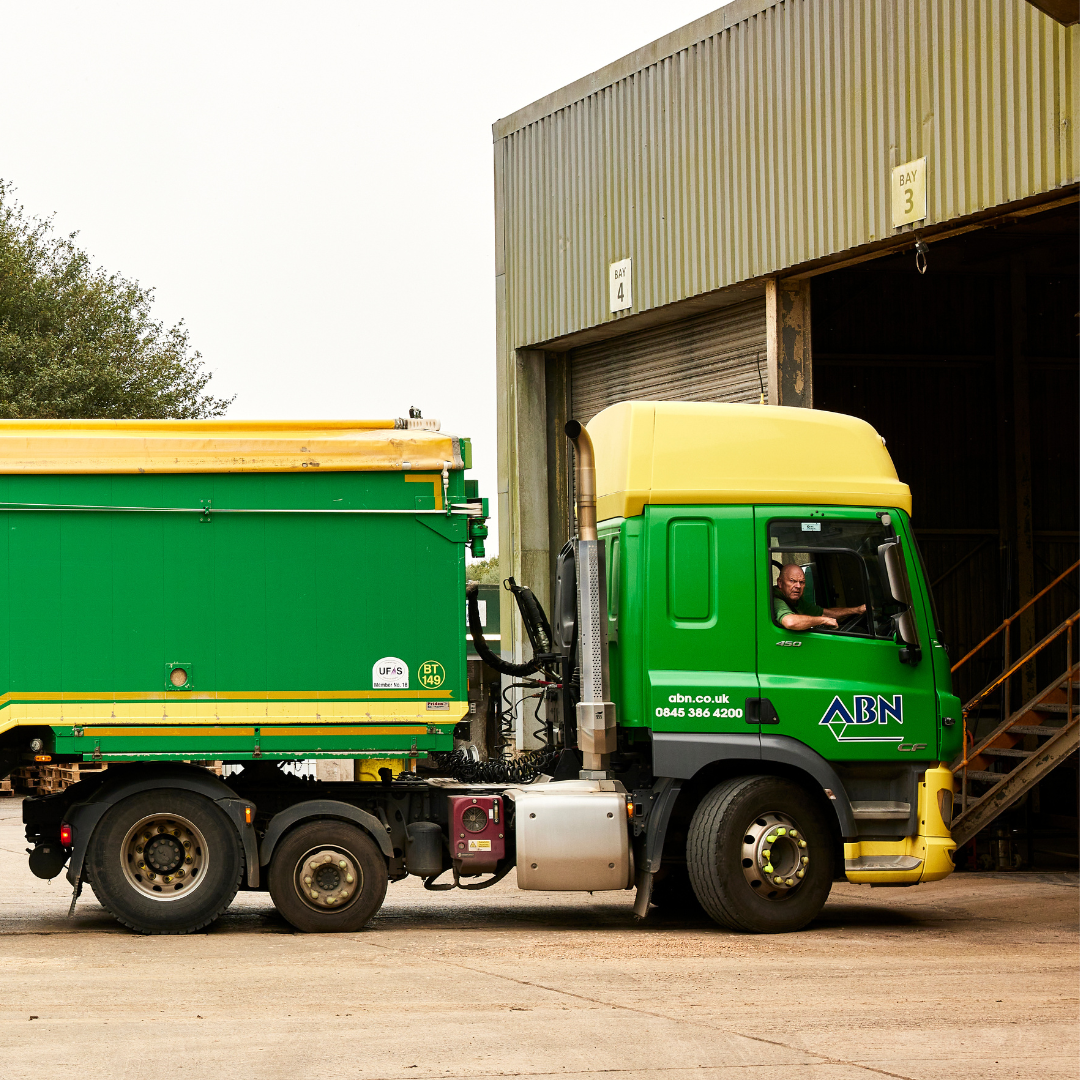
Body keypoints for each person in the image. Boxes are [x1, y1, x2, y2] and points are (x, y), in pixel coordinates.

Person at [773, 563, 866, 632]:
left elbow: (824, 612)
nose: (798, 586)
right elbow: (790, 622)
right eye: (792, 581)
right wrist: (823, 620)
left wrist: (857, 610)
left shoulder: (796, 600)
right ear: (780, 583)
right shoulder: (775, 598)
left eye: (802, 582)